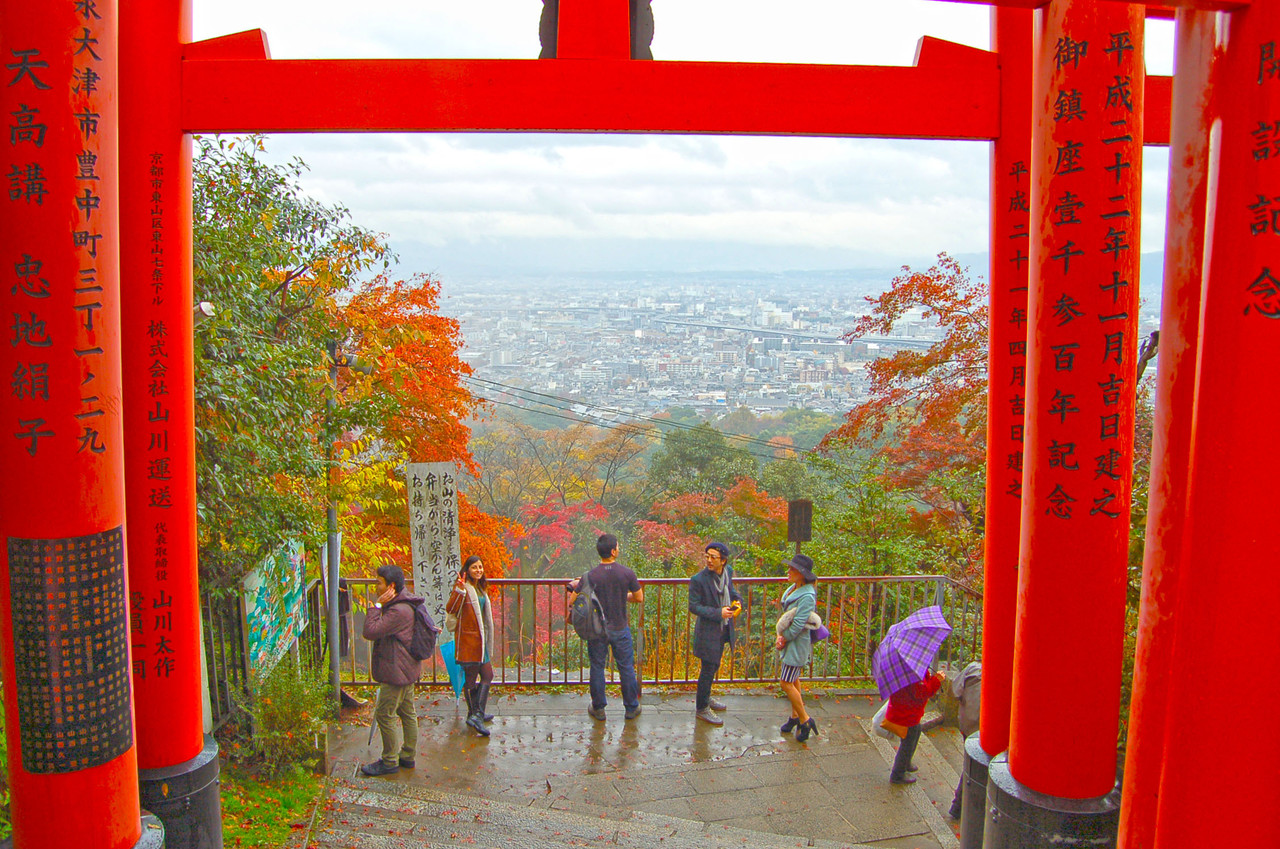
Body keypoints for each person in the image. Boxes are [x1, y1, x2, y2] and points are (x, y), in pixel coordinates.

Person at [568, 533, 644, 721]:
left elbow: (573, 600)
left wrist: (581, 585)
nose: (619, 548)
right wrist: (623, 596)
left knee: (597, 667)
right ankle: (631, 707)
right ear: (613, 551)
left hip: (597, 630)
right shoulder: (627, 573)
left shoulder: (590, 576)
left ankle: (599, 708)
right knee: (626, 667)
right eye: (618, 546)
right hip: (620, 628)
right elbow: (639, 597)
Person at [360, 564, 424, 776]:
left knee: (384, 714)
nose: (376, 586)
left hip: (396, 671)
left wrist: (377, 606)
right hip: (406, 668)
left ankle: (389, 760)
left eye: (379, 582)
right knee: (407, 712)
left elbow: (370, 631)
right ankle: (408, 755)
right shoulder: (404, 603)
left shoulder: (398, 610)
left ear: (391, 586)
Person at [688, 541, 742, 726]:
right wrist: (718, 613)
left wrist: (737, 602)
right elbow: (693, 607)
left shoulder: (727, 572)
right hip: (708, 630)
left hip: (724, 628)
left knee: (714, 664)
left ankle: (706, 696)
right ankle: (702, 707)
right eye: (707, 556)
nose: (709, 560)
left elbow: (732, 592)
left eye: (713, 557)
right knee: (708, 667)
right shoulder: (699, 579)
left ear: (723, 561)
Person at [446, 555, 496, 737]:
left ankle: (475, 713)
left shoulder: (479, 588)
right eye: (474, 567)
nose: (478, 570)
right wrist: (459, 588)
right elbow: (451, 608)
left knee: (486, 675)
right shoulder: (464, 588)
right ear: (467, 570)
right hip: (469, 641)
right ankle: (476, 714)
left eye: (480, 567)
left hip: (480, 640)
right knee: (473, 678)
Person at [775, 554, 819, 742]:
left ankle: (805, 719)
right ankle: (795, 716)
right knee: (794, 679)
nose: (789, 572)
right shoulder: (794, 588)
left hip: (796, 644)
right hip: (790, 642)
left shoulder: (807, 595)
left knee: (785, 682)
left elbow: (799, 623)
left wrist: (783, 638)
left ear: (801, 574)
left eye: (793, 569)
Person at [887, 667, 946, 784]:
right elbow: (922, 692)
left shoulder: (908, 666)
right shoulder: (912, 671)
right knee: (908, 742)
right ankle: (897, 774)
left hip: (906, 709)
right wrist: (936, 680)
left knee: (915, 732)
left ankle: (906, 762)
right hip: (907, 712)